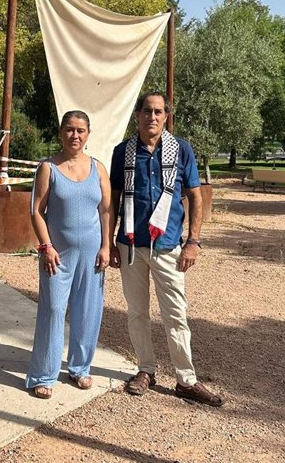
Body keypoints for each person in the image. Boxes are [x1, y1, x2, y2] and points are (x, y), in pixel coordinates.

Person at [109, 91, 224, 407]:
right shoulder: (122, 153)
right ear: (138, 115)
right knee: (137, 312)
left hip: (168, 245)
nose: (153, 117)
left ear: (166, 116)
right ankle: (146, 370)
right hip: (131, 244)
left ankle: (186, 380)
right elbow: (113, 201)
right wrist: (110, 243)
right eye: (147, 111)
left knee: (175, 313)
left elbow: (196, 197)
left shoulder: (181, 149)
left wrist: (194, 241)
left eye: (159, 112)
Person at [26, 110, 113, 399]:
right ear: (61, 132)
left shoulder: (98, 168)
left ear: (88, 134)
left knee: (88, 310)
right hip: (57, 255)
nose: (75, 135)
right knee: (52, 311)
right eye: (69, 130)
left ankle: (80, 368)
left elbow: (105, 210)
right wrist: (46, 246)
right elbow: (36, 211)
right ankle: (43, 374)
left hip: (92, 254)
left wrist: (106, 246)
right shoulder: (48, 168)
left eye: (81, 130)